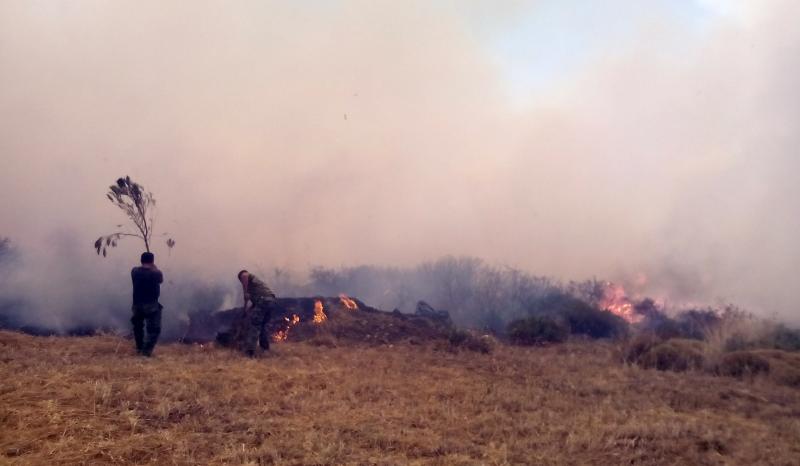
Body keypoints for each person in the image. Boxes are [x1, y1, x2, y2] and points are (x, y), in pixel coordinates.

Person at [237, 270, 277, 357]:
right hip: (271, 301)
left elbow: (244, 275)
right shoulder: (255, 288)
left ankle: (250, 352)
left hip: (264, 300)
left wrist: (245, 293)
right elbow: (254, 304)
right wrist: (246, 311)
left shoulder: (245, 276)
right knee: (262, 325)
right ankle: (265, 349)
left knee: (254, 325)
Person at [131, 252, 163, 357]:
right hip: (151, 305)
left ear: (141, 260)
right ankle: (145, 353)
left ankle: (139, 349)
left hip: (137, 304)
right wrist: (154, 267)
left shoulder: (134, 271)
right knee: (154, 329)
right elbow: (160, 279)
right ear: (152, 261)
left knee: (138, 328)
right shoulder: (156, 273)